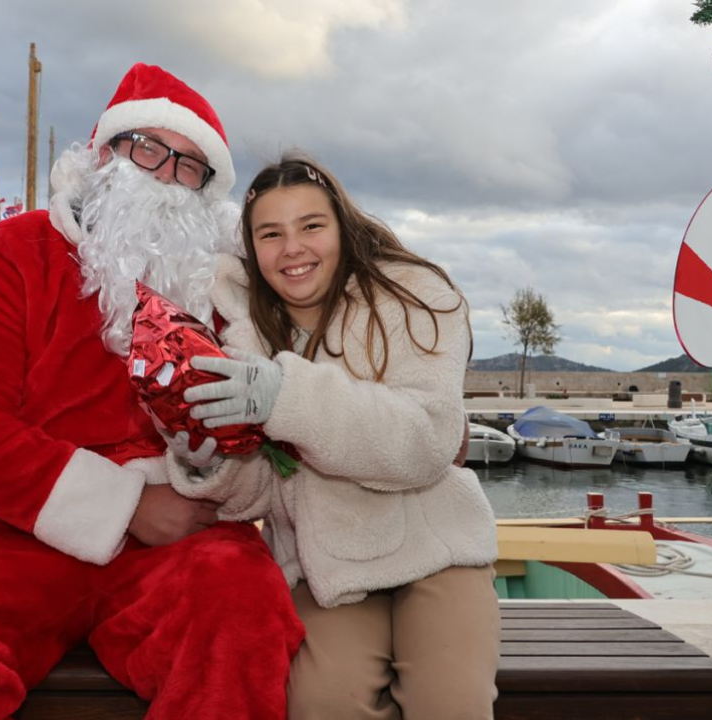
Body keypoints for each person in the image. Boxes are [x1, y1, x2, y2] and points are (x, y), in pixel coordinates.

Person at [0, 64, 304, 719]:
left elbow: (267, 427)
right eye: (148, 149)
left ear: (209, 192)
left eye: (190, 165)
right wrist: (126, 504)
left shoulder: (223, 291)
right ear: (101, 156)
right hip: (11, 527)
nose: (166, 174)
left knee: (243, 618)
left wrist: (204, 479)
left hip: (183, 536)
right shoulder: (12, 253)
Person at [166, 156, 501, 719]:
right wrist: (212, 462)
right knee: (321, 704)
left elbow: (425, 443)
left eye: (311, 226)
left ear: (342, 227)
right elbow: (268, 491)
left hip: (439, 550)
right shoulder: (241, 334)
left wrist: (286, 398)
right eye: (271, 234)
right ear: (252, 248)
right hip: (328, 569)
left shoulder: (417, 296)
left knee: (451, 705)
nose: (292, 248)